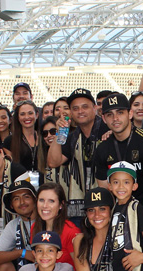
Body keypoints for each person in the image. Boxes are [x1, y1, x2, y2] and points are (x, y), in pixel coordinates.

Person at [46, 89, 107, 217]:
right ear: (71, 113)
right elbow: (53, 162)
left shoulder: (107, 130)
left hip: (106, 202)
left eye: (85, 107)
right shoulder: (73, 137)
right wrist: (59, 132)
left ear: (95, 108)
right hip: (81, 206)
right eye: (75, 108)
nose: (80, 111)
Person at [92, 93, 143, 206]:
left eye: (120, 112)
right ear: (103, 118)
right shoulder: (102, 148)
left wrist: (142, 217)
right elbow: (105, 190)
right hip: (119, 210)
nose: (115, 118)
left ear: (130, 114)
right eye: (109, 114)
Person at [33, 183, 80, 267]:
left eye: (51, 201)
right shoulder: (35, 227)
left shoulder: (71, 231)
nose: (45, 206)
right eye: (41, 200)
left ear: (61, 205)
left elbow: (80, 269)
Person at [6, 100, 45, 174]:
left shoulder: (44, 137)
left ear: (36, 115)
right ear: (17, 117)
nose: (27, 117)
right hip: (20, 183)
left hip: (44, 183)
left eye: (30, 113)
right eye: (22, 114)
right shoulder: (9, 141)